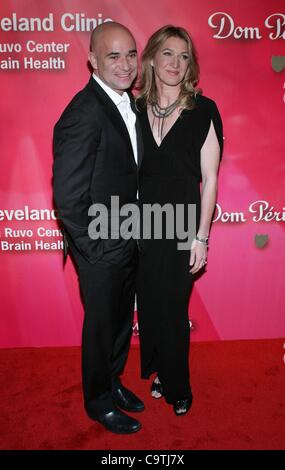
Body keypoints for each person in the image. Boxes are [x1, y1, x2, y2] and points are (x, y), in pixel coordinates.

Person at [53, 22, 144, 434]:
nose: (125, 65)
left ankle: (114, 381)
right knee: (102, 325)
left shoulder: (131, 103)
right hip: (102, 247)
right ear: (92, 60)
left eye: (130, 54)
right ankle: (98, 400)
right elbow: (69, 196)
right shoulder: (83, 112)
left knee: (122, 320)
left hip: (130, 237)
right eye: (113, 56)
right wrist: (95, 249)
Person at [136, 25, 223, 416]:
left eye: (184, 56)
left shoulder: (204, 110)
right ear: (152, 57)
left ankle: (178, 384)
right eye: (168, 53)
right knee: (151, 306)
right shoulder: (134, 109)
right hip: (138, 224)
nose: (175, 63)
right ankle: (159, 370)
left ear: (191, 65)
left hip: (182, 223)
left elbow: (210, 179)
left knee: (172, 307)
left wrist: (201, 238)